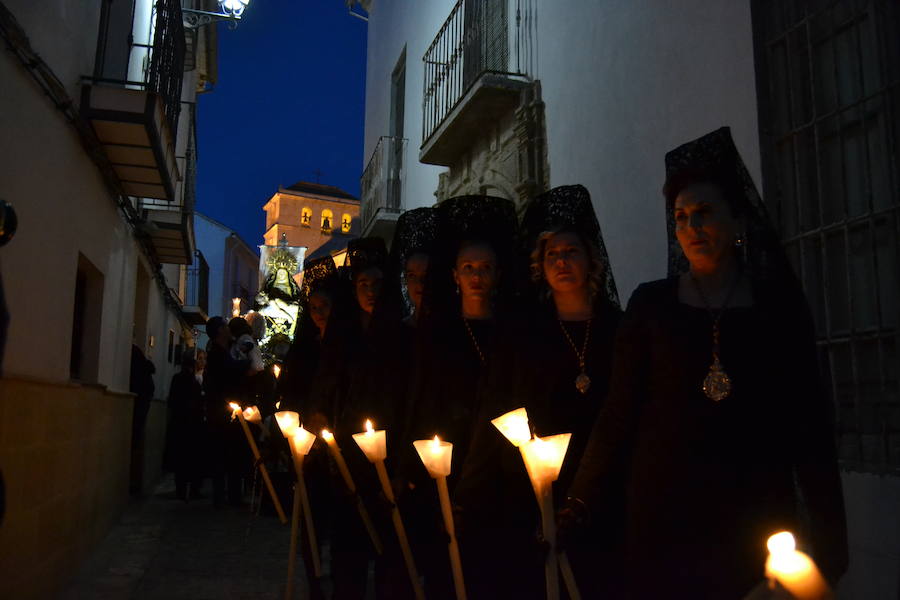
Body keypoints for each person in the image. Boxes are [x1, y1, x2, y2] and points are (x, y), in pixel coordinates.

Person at [564, 127, 848, 598]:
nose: (691, 227)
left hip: (752, 516)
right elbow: (618, 413)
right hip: (662, 517)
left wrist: (829, 537)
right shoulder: (651, 305)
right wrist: (580, 497)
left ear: (738, 222)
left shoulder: (774, 309)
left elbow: (808, 423)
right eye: (680, 217)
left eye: (704, 213)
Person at [454, 184, 624, 598]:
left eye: (571, 252)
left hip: (601, 490)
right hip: (528, 494)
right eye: (552, 254)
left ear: (591, 260)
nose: (561, 261)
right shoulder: (523, 332)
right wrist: (468, 493)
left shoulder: (618, 329)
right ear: (540, 266)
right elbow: (494, 410)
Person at [400, 195, 519, 599]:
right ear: (453, 275)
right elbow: (422, 404)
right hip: (449, 476)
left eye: (485, 268)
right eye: (468, 268)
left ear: (499, 274)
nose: (477, 276)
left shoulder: (514, 333)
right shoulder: (439, 336)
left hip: (503, 477)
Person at [308, 237, 411, 600]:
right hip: (346, 456)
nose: (370, 291)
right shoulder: (342, 335)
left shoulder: (400, 334)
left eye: (377, 284)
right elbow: (327, 387)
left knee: (389, 549)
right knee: (348, 547)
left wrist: (400, 465)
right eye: (363, 284)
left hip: (389, 453)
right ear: (353, 289)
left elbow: (406, 397)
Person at [203, 316, 250, 507]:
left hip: (223, 412)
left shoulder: (223, 351)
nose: (228, 328)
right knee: (226, 455)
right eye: (225, 325)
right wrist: (247, 364)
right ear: (220, 331)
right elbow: (229, 370)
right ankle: (226, 498)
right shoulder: (216, 353)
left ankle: (228, 496)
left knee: (227, 455)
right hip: (221, 414)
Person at [168, 347, 206, 501]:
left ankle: (189, 488)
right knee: (186, 457)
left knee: (191, 458)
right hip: (188, 424)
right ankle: (185, 489)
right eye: (200, 358)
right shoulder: (184, 379)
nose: (203, 362)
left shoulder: (197, 378)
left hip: (188, 423)